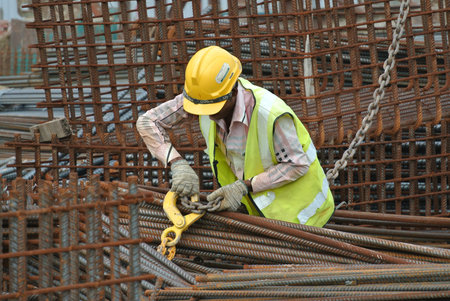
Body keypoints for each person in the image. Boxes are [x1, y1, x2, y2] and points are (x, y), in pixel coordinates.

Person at [137, 45, 334, 227]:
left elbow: (296, 164)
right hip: (257, 213)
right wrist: (177, 162)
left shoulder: (270, 113)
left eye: (211, 106)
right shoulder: (202, 96)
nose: (205, 112)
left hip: (304, 216)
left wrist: (244, 187)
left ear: (231, 93)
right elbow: (148, 122)